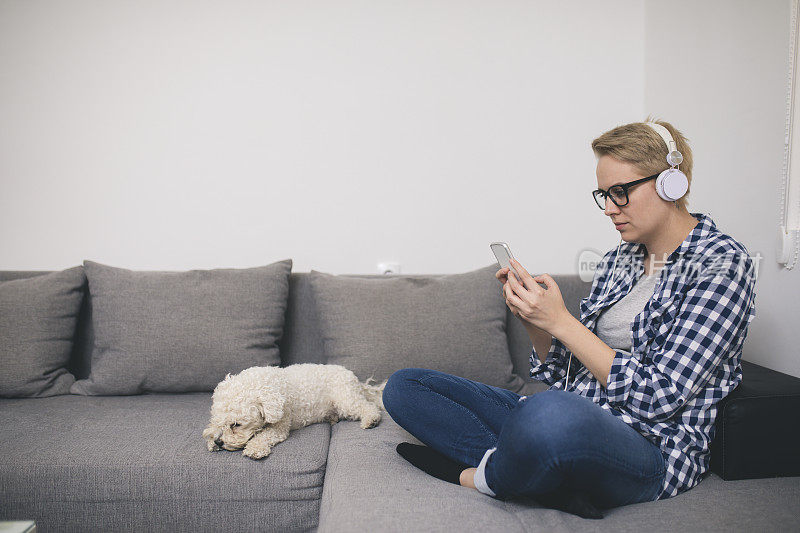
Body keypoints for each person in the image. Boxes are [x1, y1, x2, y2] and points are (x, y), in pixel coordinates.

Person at [381, 117, 757, 518]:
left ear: (671, 182)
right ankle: (542, 477)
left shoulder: (722, 265)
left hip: (649, 448)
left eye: (621, 193)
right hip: (573, 416)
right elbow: (563, 377)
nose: (610, 209)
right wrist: (536, 322)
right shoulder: (620, 259)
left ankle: (483, 476)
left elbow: (659, 398)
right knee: (405, 386)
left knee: (549, 414)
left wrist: (563, 322)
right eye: (603, 195)